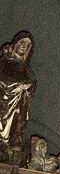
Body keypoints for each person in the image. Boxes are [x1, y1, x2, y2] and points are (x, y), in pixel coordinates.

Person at [0, 31, 37, 165]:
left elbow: (33, 82)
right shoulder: (4, 60)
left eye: (27, 45)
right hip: (2, 99)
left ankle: (14, 140)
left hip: (17, 101)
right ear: (16, 43)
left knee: (18, 116)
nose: (23, 46)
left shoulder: (24, 66)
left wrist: (24, 86)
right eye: (21, 42)